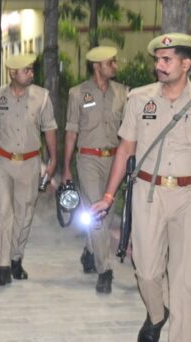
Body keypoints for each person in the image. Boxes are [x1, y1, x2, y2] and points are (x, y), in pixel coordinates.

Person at [90, 33, 191, 342]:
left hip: (190, 197)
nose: (159, 65)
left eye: (167, 60)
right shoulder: (139, 98)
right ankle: (157, 314)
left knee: (185, 280)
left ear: (186, 64)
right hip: (148, 194)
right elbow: (125, 150)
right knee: (146, 272)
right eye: (157, 59)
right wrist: (108, 196)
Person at [0, 53, 58, 286]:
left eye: (32, 69)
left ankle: (15, 258)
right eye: (27, 70)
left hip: (30, 162)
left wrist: (53, 160)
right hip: (1, 162)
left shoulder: (42, 97)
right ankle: (2, 266)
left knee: (24, 213)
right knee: (3, 211)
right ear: (13, 73)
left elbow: (50, 129)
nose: (31, 73)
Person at [62, 46, 128, 293]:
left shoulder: (123, 93)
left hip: (114, 160)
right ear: (97, 66)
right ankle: (105, 270)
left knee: (106, 212)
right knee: (97, 212)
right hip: (88, 159)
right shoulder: (77, 93)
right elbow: (71, 133)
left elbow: (129, 133)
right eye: (111, 63)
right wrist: (66, 168)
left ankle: (90, 251)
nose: (115, 66)